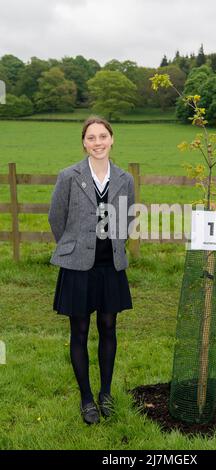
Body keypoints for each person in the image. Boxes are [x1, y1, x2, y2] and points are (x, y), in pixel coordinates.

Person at [48, 116, 135, 425]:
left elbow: (127, 220)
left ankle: (106, 394)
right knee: (80, 331)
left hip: (110, 266)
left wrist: (113, 246)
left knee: (109, 328)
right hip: (77, 268)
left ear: (112, 139)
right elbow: (56, 218)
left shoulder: (125, 179)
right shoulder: (69, 176)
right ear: (84, 143)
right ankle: (87, 399)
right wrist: (73, 247)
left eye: (103, 136)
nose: (98, 142)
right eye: (91, 138)